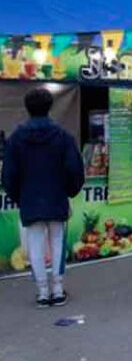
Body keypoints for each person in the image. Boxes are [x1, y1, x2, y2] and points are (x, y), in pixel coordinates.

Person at [2, 88, 84, 308]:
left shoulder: (16, 137)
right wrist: (70, 191)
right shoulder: (63, 136)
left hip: (29, 198)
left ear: (27, 108)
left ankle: (42, 292)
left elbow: (8, 174)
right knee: (57, 242)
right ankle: (58, 290)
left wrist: (19, 196)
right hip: (57, 196)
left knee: (35, 245)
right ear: (50, 106)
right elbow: (75, 169)